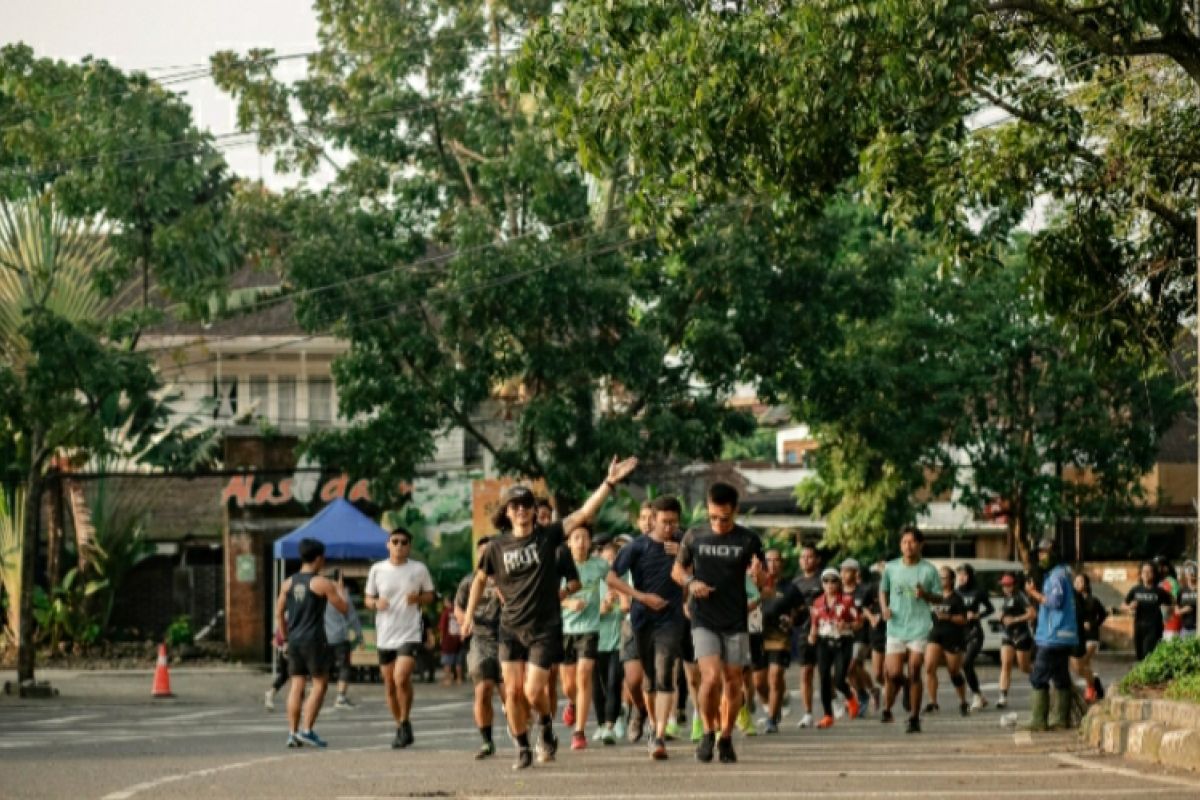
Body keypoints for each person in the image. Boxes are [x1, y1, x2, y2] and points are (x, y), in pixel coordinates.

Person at [462, 457, 637, 770]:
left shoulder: (548, 536)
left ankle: (544, 724)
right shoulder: (496, 547)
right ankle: (522, 747)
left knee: (532, 691)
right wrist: (467, 616)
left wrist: (609, 483)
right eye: (514, 505)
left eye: (526, 504)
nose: (521, 510)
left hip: (543, 627)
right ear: (506, 511)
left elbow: (584, 514)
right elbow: (479, 580)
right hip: (510, 627)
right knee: (512, 693)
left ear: (532, 510)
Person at [672, 481, 765, 765]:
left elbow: (765, 583)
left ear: (735, 511)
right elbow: (677, 570)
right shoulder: (695, 536)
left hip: (736, 619)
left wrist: (760, 576)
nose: (718, 523)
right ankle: (708, 732)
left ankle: (726, 737)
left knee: (733, 681)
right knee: (710, 677)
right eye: (713, 517)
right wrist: (691, 582)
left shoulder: (748, 540)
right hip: (704, 618)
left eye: (724, 518)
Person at [607, 495, 686, 760]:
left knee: (665, 674)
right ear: (653, 520)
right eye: (664, 522)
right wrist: (639, 597)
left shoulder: (685, 542)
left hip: (671, 619)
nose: (669, 528)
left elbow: (704, 571)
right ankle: (652, 724)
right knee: (648, 680)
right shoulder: (637, 547)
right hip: (642, 619)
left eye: (674, 522)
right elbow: (610, 576)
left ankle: (660, 735)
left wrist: (688, 558)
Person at [365, 525, 436, 749]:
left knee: (401, 677)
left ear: (409, 546)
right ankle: (401, 726)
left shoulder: (419, 569)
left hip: (410, 632)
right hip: (385, 634)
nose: (399, 546)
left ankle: (405, 719)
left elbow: (431, 595)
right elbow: (368, 599)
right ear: (388, 545)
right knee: (389, 684)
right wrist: (376, 603)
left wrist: (418, 599)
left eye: (404, 542)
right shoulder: (377, 570)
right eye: (395, 541)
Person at [275, 538, 349, 748]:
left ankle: (292, 732)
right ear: (318, 558)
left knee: (296, 685)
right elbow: (343, 608)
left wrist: (285, 637)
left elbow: (279, 612)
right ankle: (307, 729)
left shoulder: (287, 583)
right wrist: (339, 588)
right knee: (320, 684)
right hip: (315, 641)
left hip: (295, 640)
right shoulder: (321, 583)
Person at [878, 526, 941, 733]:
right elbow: (883, 591)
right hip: (895, 627)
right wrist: (884, 608)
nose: (908, 546)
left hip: (919, 626)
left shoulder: (929, 570)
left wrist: (926, 595)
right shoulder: (891, 568)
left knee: (915, 669)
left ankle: (914, 717)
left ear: (920, 545)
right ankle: (904, 687)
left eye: (913, 542)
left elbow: (939, 597)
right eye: (905, 542)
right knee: (894, 673)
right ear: (900, 545)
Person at [560, 521, 611, 751]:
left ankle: (579, 732)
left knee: (584, 675)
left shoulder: (599, 565)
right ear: (569, 542)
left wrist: (611, 596)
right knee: (570, 686)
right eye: (576, 538)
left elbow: (614, 582)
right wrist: (569, 601)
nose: (581, 542)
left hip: (589, 629)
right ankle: (571, 702)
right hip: (564, 631)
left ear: (590, 542)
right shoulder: (560, 567)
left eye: (584, 537)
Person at [455, 536, 503, 760]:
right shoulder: (469, 581)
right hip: (480, 640)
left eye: (491, 552)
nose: (487, 557)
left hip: (507, 639)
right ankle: (486, 741)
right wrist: (466, 620)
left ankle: (522, 736)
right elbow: (458, 607)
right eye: (483, 552)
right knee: (483, 690)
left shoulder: (508, 579)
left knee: (510, 694)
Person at [1025, 536, 1079, 731]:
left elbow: (1054, 602)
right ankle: (1059, 720)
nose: (1041, 556)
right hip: (1063, 635)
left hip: (1053, 635)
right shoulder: (1062, 573)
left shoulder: (1057, 576)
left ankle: (1039, 720)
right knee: (1060, 677)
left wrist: (1033, 593)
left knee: (1038, 677)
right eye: (1040, 552)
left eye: (1045, 552)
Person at [808, 568, 860, 729]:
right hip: (824, 642)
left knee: (838, 679)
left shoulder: (847, 600)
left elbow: (859, 622)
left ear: (839, 583)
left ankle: (851, 698)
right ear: (822, 584)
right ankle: (827, 715)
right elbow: (814, 623)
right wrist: (812, 635)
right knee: (823, 678)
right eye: (826, 581)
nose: (830, 584)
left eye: (833, 581)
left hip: (843, 641)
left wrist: (848, 624)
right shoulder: (817, 602)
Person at [758, 549, 804, 732]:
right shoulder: (755, 585)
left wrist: (793, 620)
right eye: (769, 560)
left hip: (779, 637)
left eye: (777, 560)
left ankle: (771, 719)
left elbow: (802, 611)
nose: (773, 564)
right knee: (759, 683)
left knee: (775, 676)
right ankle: (774, 705)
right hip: (757, 636)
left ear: (782, 564)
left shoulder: (790, 588)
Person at [924, 566, 970, 717]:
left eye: (943, 577)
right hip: (935, 635)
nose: (940, 580)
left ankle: (963, 701)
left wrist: (948, 617)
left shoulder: (957, 599)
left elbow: (964, 619)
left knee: (954, 672)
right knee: (929, 668)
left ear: (951, 580)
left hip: (953, 637)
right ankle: (933, 702)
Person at [592, 537, 625, 745]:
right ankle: (601, 724)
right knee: (597, 687)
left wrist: (621, 600)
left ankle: (610, 725)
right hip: (594, 642)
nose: (610, 562)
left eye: (614, 558)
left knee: (614, 682)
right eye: (607, 559)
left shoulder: (623, 580)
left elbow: (628, 608)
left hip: (617, 642)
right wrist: (601, 609)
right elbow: (585, 611)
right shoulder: (594, 583)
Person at [790, 545, 824, 728]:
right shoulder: (795, 583)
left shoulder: (824, 580)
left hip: (825, 632)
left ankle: (831, 703)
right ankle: (808, 713)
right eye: (803, 557)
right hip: (803, 632)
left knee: (826, 673)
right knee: (805, 672)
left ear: (817, 560)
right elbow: (791, 608)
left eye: (810, 557)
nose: (806, 560)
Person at [954, 563, 995, 711]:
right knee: (963, 667)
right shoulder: (956, 593)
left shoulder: (978, 591)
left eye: (964, 575)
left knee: (966, 663)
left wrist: (978, 615)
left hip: (975, 632)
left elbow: (991, 608)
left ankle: (976, 696)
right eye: (959, 575)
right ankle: (980, 696)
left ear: (970, 576)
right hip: (961, 633)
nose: (962, 578)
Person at [842, 558, 879, 718]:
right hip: (844, 635)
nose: (844, 574)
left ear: (856, 572)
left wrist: (867, 618)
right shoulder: (838, 591)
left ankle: (864, 695)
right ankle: (868, 691)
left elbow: (871, 609)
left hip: (862, 635)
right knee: (853, 670)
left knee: (852, 666)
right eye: (842, 570)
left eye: (848, 570)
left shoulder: (865, 590)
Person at [326, 570, 364, 709]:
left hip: (324, 638)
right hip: (340, 637)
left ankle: (314, 695)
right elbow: (352, 616)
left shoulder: (322, 594)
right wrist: (359, 636)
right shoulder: (342, 595)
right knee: (344, 667)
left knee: (322, 668)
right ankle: (340, 697)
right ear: (340, 579)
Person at [997, 572, 1035, 709]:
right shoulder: (1006, 598)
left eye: (1008, 585)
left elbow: (1032, 613)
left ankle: (1038, 678)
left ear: (1014, 585)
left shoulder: (1020, 596)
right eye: (1003, 585)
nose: (1005, 588)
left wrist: (1015, 619)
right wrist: (1001, 618)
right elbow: (1003, 614)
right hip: (1008, 635)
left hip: (1021, 634)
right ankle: (1003, 696)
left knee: (1024, 667)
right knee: (1005, 664)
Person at [1122, 561, 1174, 661]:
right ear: (1141, 574)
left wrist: (1167, 614)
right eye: (1144, 571)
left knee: (1148, 654)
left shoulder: (1159, 591)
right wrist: (1129, 607)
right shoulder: (1136, 590)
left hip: (1154, 627)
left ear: (1154, 574)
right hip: (1139, 626)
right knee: (1140, 656)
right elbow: (1123, 605)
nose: (1146, 574)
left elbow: (1172, 602)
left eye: (1149, 571)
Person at [1071, 573, 1108, 703]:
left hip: (1091, 637)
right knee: (1081, 666)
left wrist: (1092, 624)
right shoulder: (1073, 600)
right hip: (1078, 636)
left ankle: (1091, 687)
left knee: (1082, 664)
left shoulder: (1093, 600)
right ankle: (1095, 682)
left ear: (1086, 584)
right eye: (1075, 581)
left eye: (1080, 581)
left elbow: (1103, 614)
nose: (1077, 584)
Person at [438, 596, 463, 686]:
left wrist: (441, 640)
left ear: (448, 602)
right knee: (458, 661)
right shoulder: (459, 611)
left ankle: (448, 680)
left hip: (448, 640)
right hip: (458, 638)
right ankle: (459, 679)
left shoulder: (445, 613)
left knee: (447, 662)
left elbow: (442, 628)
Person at [1178, 563, 1197, 640]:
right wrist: (1183, 610)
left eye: (1193, 572)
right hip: (1186, 628)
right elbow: (1176, 610)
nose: (1192, 574)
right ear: (1186, 575)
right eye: (1189, 572)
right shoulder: (1182, 591)